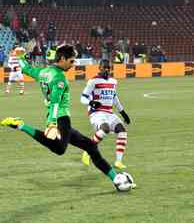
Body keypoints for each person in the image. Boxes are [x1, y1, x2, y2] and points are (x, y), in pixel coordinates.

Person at [0, 45, 134, 190]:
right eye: (71, 61)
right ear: (62, 59)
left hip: (57, 117)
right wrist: (52, 122)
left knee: (90, 146)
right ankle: (21, 125)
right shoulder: (60, 78)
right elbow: (56, 102)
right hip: (61, 118)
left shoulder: (44, 71)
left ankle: (116, 179)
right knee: (60, 149)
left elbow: (27, 69)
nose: (73, 64)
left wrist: (20, 57)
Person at [80, 59, 130, 169]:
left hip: (109, 113)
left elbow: (114, 98)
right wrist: (91, 102)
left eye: (108, 68)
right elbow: (82, 98)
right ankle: (87, 152)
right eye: (104, 68)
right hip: (96, 113)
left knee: (122, 131)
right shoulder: (93, 81)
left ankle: (118, 161)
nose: (106, 70)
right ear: (99, 68)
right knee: (105, 128)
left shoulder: (113, 81)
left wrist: (123, 112)